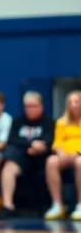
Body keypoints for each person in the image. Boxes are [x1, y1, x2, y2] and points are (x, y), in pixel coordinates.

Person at [0, 91, 54, 218]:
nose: (30, 109)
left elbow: (49, 142)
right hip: (21, 158)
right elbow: (12, 140)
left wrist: (37, 148)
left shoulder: (48, 122)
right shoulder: (18, 121)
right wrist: (31, 144)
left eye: (33, 106)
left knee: (51, 162)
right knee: (8, 166)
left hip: (41, 159)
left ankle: (53, 205)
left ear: (41, 106)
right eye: (27, 106)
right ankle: (8, 205)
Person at [44, 90, 81, 220]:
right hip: (65, 155)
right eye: (70, 102)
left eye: (76, 101)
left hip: (78, 155)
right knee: (51, 161)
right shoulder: (61, 122)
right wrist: (61, 153)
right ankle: (57, 205)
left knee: (80, 162)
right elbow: (57, 142)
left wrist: (77, 153)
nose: (73, 104)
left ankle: (80, 205)